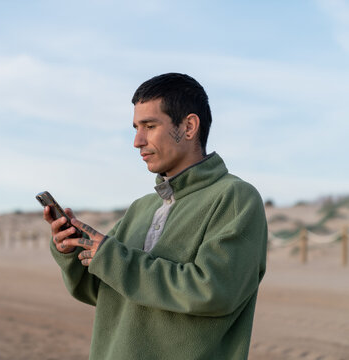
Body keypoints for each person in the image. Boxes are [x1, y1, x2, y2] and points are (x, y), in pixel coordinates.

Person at [43, 73, 268, 360]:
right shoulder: (141, 207)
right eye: (136, 127)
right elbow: (106, 293)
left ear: (189, 126)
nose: (138, 141)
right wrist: (73, 253)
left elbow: (215, 290)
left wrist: (113, 258)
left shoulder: (234, 198)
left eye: (149, 126)